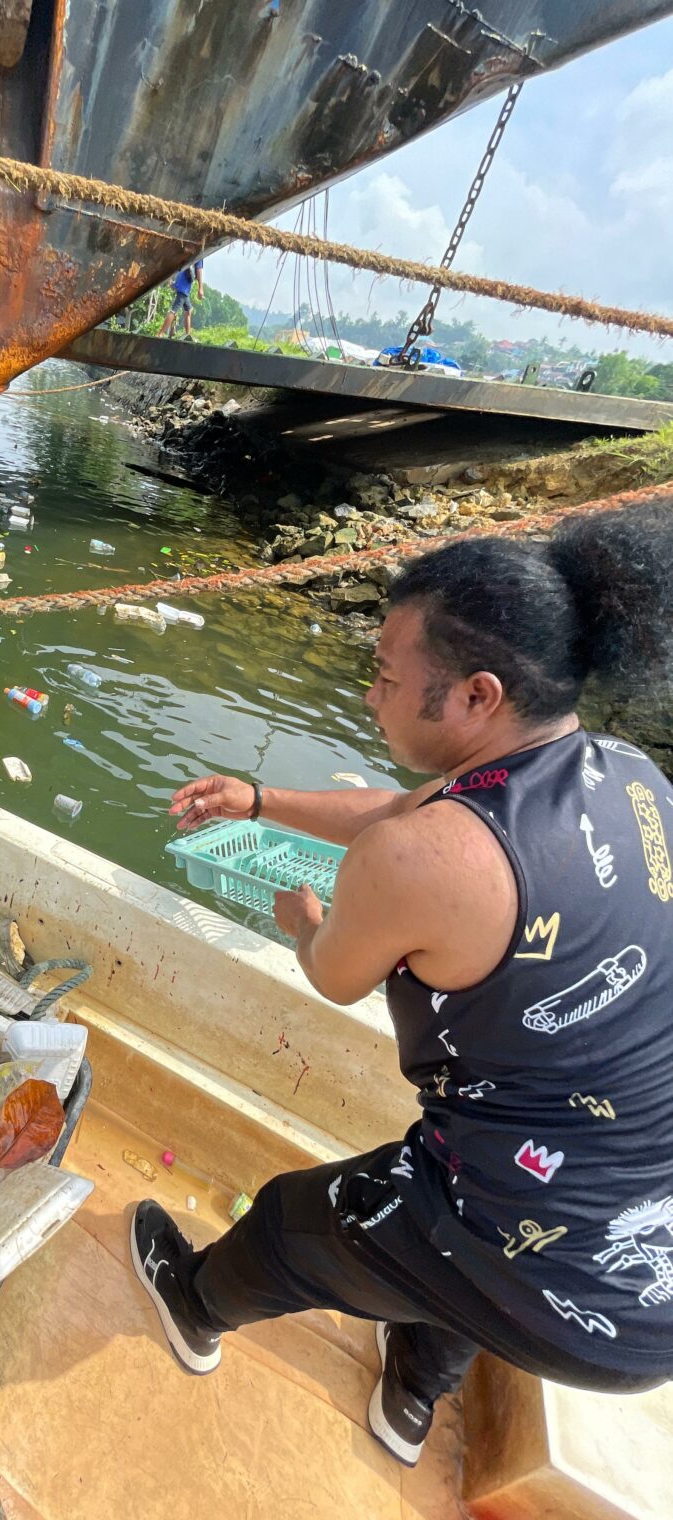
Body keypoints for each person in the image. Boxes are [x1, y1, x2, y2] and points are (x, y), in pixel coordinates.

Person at [131, 502, 673, 1466]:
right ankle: (413, 1395)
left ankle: (189, 1304)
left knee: (300, 1222)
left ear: (476, 695)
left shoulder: (416, 861)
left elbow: (336, 972)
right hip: (644, 1247)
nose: (372, 697)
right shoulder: (628, 775)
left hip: (589, 1305)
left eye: (385, 679)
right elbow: (406, 805)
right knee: (473, 1237)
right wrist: (263, 799)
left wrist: (303, 920)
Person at [156, 259, 204, 340]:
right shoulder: (200, 254)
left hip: (182, 282)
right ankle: (160, 334)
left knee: (189, 310)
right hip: (183, 287)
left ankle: (187, 335)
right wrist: (200, 288)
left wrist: (172, 282)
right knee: (174, 310)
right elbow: (199, 270)